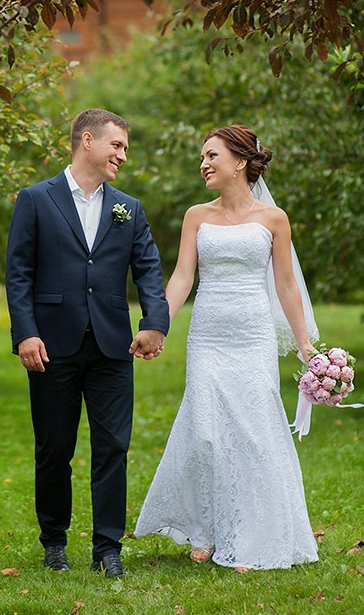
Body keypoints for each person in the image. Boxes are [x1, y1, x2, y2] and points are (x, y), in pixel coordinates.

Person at [133, 124, 321, 570]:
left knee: (255, 433)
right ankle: (206, 531)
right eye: (202, 157)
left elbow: (287, 284)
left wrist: (304, 343)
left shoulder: (274, 220)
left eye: (211, 156)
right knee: (206, 433)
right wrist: (157, 325)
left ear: (240, 162)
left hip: (252, 336)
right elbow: (181, 278)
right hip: (208, 338)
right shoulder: (196, 216)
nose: (203, 164)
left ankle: (252, 534)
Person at [5, 108, 171, 578]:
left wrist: (154, 321)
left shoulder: (129, 208)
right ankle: (54, 542)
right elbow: (18, 275)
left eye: (124, 147)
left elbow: (148, 270)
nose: (123, 154)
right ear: (87, 140)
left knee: (113, 446)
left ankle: (107, 547)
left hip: (111, 345)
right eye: (116, 145)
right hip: (51, 345)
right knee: (55, 448)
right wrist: (26, 333)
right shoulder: (36, 199)